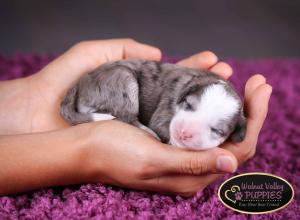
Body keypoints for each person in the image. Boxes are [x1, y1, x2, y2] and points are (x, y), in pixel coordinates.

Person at [0, 39, 272, 196]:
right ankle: (121, 120)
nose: (188, 130)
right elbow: (158, 126)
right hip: (113, 83)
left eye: (214, 129)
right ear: (183, 96)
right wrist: (85, 153)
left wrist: (30, 102)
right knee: (126, 86)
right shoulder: (180, 90)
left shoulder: (217, 111)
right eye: (188, 107)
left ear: (236, 132)